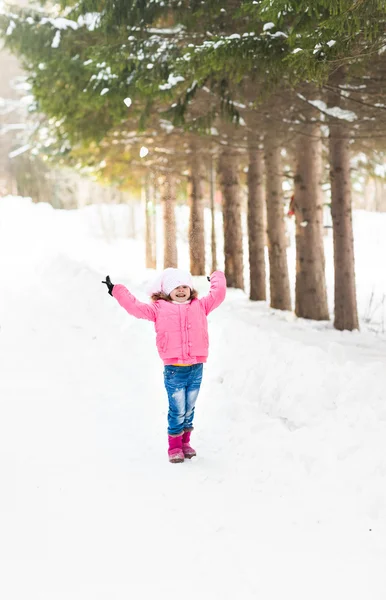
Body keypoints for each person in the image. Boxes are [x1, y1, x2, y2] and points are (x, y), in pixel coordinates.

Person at [102, 268, 226, 463]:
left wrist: (217, 277)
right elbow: (135, 307)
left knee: (189, 408)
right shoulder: (158, 308)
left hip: (196, 367)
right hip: (174, 369)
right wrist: (116, 290)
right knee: (177, 409)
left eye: (185, 286)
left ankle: (185, 443)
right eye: (176, 287)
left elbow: (218, 294)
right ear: (167, 290)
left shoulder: (200, 306)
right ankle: (174, 446)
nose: (181, 290)